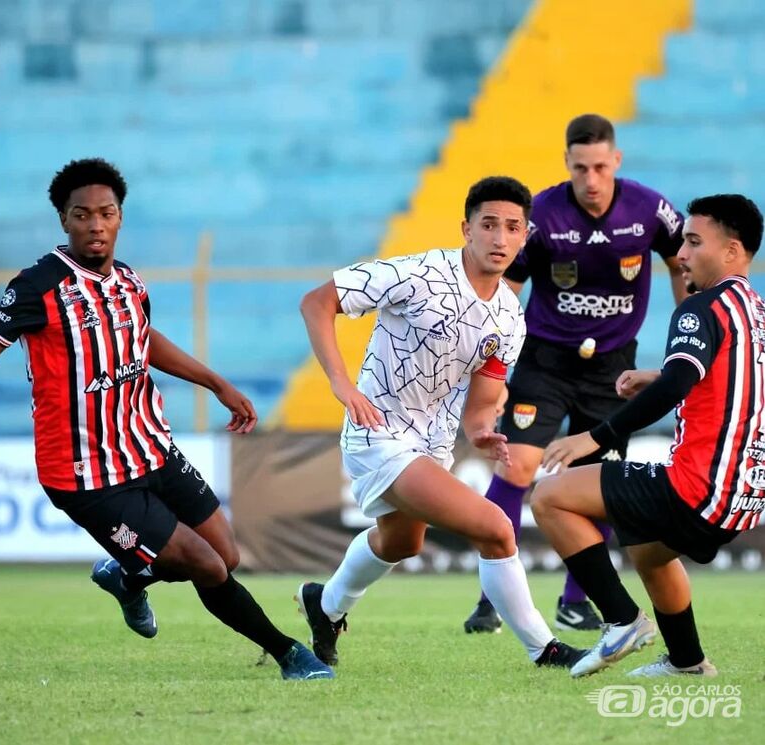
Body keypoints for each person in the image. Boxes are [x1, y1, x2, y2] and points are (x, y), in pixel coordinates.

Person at [0, 158, 333, 682]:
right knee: (205, 566)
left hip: (150, 448)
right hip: (86, 473)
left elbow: (142, 342)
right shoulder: (38, 286)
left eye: (106, 213)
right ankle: (289, 654)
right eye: (82, 215)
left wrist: (216, 382)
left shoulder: (127, 281)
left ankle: (128, 578)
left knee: (226, 555)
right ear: (64, 221)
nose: (95, 225)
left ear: (121, 217)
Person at [295, 175, 584, 670]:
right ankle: (546, 648)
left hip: (431, 445)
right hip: (377, 434)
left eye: (512, 227)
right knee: (495, 528)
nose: (499, 237)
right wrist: (342, 385)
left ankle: (326, 606)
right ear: (466, 229)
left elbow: (481, 400)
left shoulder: (511, 318)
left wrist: (479, 431)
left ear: (525, 235)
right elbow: (317, 302)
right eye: (488, 224)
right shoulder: (418, 275)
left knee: (403, 542)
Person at [464, 113, 688, 635]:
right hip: (545, 360)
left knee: (599, 482)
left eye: (600, 167)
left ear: (617, 162)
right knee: (517, 468)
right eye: (580, 167)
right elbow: (507, 292)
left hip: (613, 371)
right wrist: (491, 377)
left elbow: (683, 261)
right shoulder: (540, 214)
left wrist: (686, 330)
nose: (590, 180)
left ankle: (575, 600)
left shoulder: (649, 208)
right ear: (566, 163)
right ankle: (492, 598)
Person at [531, 193, 764, 677]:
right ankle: (688, 661)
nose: (680, 255)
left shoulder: (703, 306)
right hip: (745, 495)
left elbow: (682, 384)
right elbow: (733, 377)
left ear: (732, 251)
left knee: (549, 496)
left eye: (694, 242)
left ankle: (621, 620)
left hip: (697, 485)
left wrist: (594, 437)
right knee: (647, 552)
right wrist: (658, 375)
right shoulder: (755, 313)